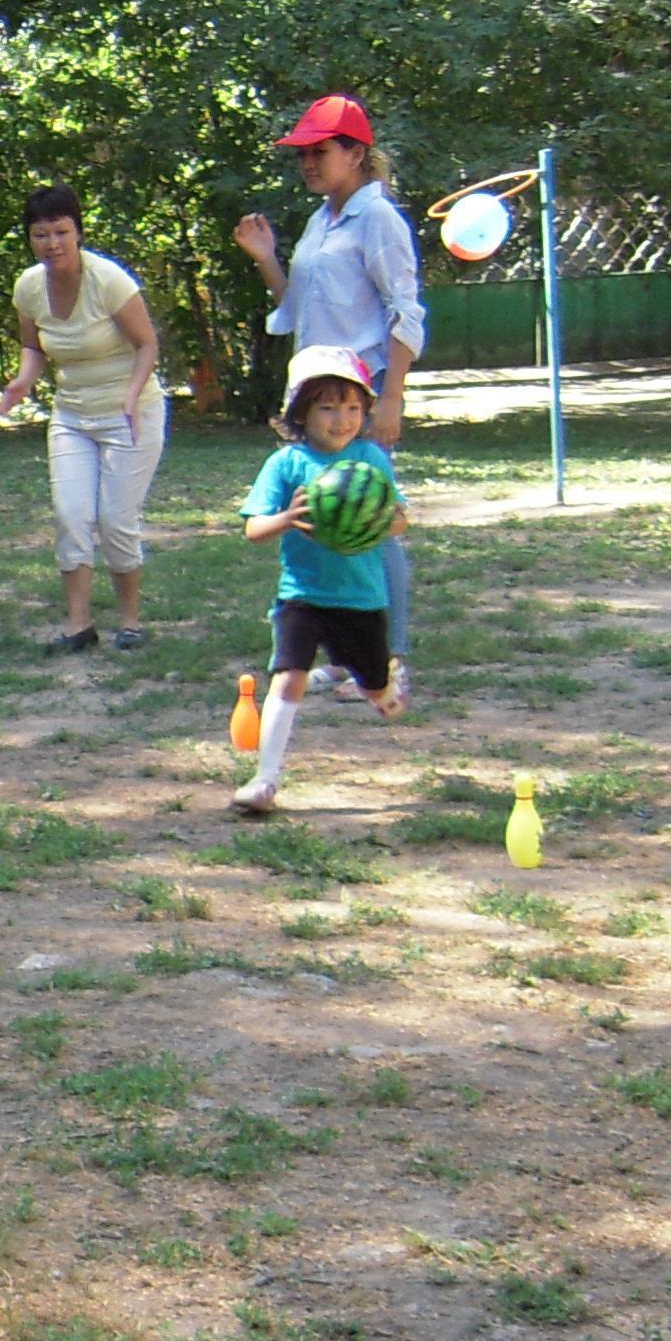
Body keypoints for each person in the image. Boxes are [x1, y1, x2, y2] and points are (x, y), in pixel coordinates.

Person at [233, 94, 427, 706]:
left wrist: (390, 397)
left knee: (376, 523)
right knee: (332, 523)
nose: (308, 162)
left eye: (320, 151)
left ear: (357, 153)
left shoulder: (379, 219)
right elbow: (296, 310)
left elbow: (405, 312)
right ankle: (348, 660)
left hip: (357, 397)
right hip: (317, 396)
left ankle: (391, 661)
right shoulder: (323, 218)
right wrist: (267, 261)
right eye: (303, 153)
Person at [232, 345, 409, 817]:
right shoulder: (286, 465)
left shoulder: (372, 458)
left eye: (353, 407)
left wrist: (373, 517)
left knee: (374, 689)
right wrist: (287, 517)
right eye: (327, 406)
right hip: (302, 597)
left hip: (362, 598)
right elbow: (253, 530)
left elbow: (400, 522)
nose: (341, 418)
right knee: (288, 677)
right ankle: (265, 779)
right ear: (301, 411)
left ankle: (384, 688)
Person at [0, 187, 165, 654]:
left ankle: (130, 621)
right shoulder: (29, 286)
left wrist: (132, 394)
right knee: (71, 515)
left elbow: (147, 345)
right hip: (72, 413)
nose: (52, 243)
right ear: (30, 240)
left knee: (115, 519)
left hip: (130, 413)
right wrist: (21, 382)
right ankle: (79, 622)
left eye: (61, 232)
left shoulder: (109, 280)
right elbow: (34, 347)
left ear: (78, 232)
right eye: (41, 235)